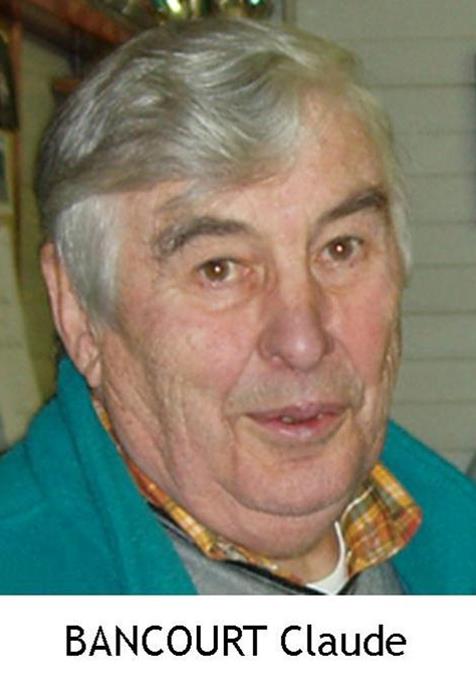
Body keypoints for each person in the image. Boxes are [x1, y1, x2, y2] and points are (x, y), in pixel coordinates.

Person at [0, 18, 474, 595]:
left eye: (340, 249)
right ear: (77, 310)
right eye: (218, 269)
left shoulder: (456, 534)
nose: (303, 341)